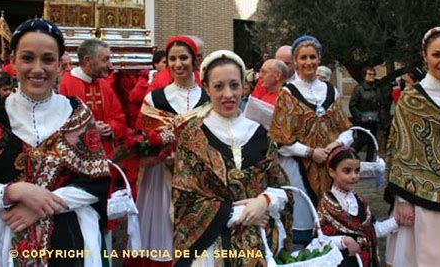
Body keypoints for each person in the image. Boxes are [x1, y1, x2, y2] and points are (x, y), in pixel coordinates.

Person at [0, 18, 110, 266]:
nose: (38, 68)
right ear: (12, 61)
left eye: (47, 59)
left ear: (60, 64)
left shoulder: (77, 114)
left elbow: (96, 181)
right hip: (4, 233)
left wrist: (40, 205)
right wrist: (12, 191)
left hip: (69, 235)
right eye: (27, 58)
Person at [172, 50, 293, 266]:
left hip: (257, 245)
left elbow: (282, 187)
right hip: (210, 249)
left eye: (234, 85)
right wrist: (239, 212)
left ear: (244, 87)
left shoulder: (259, 133)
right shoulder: (192, 137)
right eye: (219, 87)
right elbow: (184, 202)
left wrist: (264, 201)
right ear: (206, 88)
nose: (228, 94)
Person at [385, 26, 440, 267]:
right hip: (423, 199)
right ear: (425, 56)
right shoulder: (411, 99)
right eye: (437, 54)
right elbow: (399, 148)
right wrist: (402, 200)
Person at [133, 35, 210, 267]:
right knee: (162, 236)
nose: (178, 64)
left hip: (199, 177)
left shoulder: (208, 98)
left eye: (183, 58)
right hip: (161, 176)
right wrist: (164, 147)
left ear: (194, 60)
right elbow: (143, 138)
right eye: (172, 59)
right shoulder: (154, 98)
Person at [269, 35, 353, 245]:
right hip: (298, 168)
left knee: (332, 227)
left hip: (330, 169)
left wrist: (336, 144)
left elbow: (346, 129)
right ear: (295, 62)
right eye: (303, 57)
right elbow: (280, 139)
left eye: (313, 57)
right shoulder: (287, 94)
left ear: (319, 59)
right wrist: (310, 152)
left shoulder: (331, 91)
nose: (308, 62)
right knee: (303, 225)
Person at [59, 39, 127, 242]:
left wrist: (110, 128)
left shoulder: (105, 86)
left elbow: (120, 119)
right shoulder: (67, 84)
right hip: (77, 169)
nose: (110, 64)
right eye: (105, 59)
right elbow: (60, 126)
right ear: (88, 60)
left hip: (105, 164)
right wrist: (90, 129)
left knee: (105, 229)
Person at [318, 146, 399, 267]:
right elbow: (319, 240)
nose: (354, 176)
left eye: (357, 171)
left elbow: (373, 231)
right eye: (347, 171)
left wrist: (397, 221)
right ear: (332, 172)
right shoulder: (326, 205)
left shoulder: (361, 202)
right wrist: (344, 241)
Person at [349, 67, 382, 162]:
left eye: (373, 74)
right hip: (362, 121)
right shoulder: (359, 89)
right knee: (361, 141)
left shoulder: (376, 89)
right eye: (369, 74)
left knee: (372, 143)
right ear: (364, 76)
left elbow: (380, 104)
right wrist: (359, 117)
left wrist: (379, 116)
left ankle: (369, 162)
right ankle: (350, 155)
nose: (372, 76)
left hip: (374, 120)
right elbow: (352, 105)